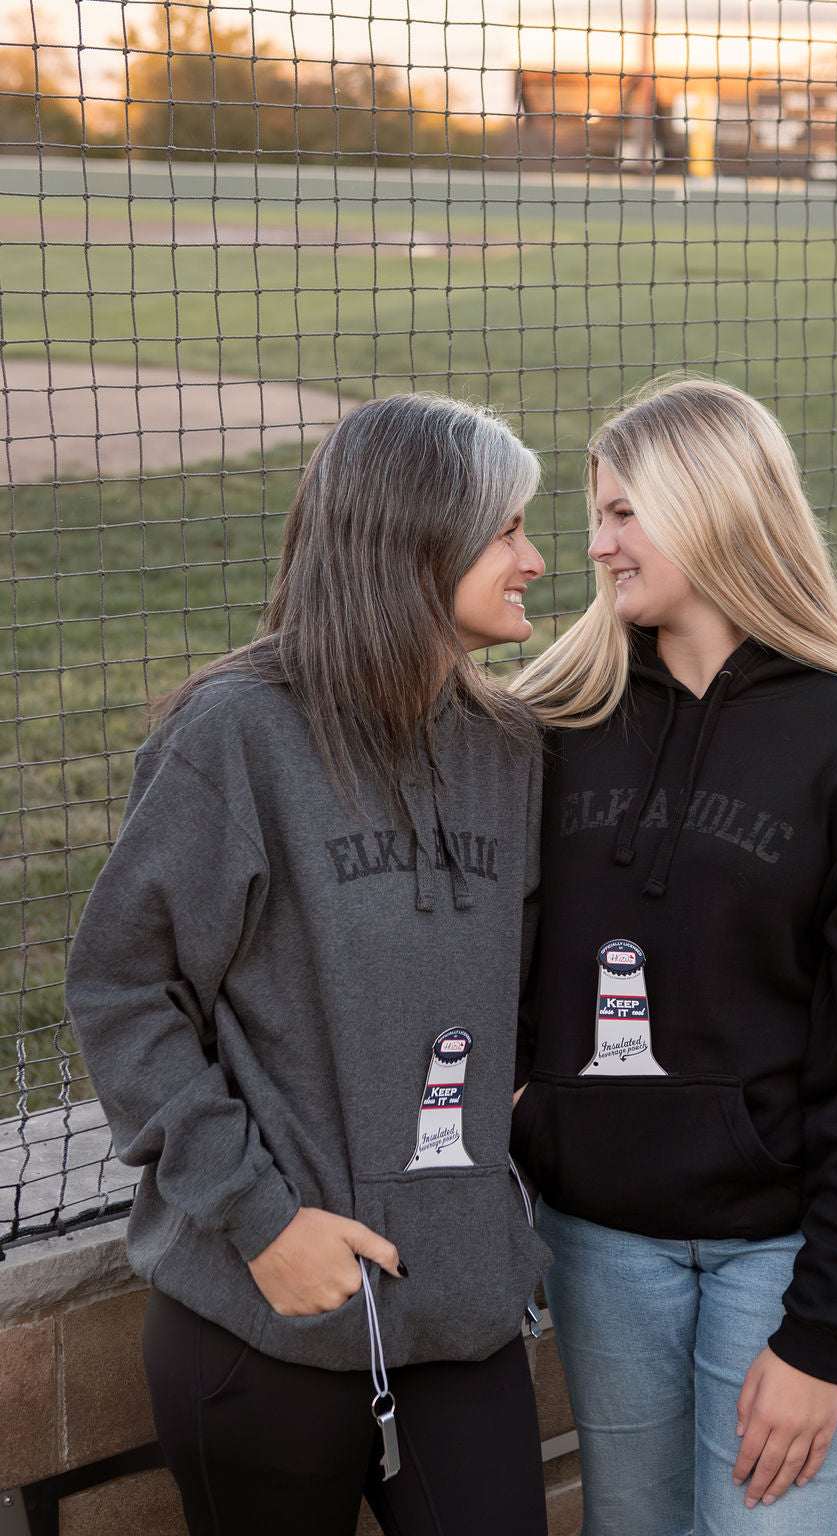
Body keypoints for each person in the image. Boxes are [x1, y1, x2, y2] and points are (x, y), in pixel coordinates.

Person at [65, 393, 553, 1536]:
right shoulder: (234, 736)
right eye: (506, 531)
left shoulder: (511, 753)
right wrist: (263, 1221)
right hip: (264, 1316)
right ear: (418, 544)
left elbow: (523, 992)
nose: (535, 558)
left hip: (461, 1315)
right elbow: (124, 991)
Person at [510, 377, 837, 1536]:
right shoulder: (553, 718)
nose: (594, 544)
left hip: (787, 1255)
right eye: (595, 513)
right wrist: (529, 1109)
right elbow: (485, 947)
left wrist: (821, 1335)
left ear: (711, 507)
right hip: (601, 1245)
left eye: (622, 512)